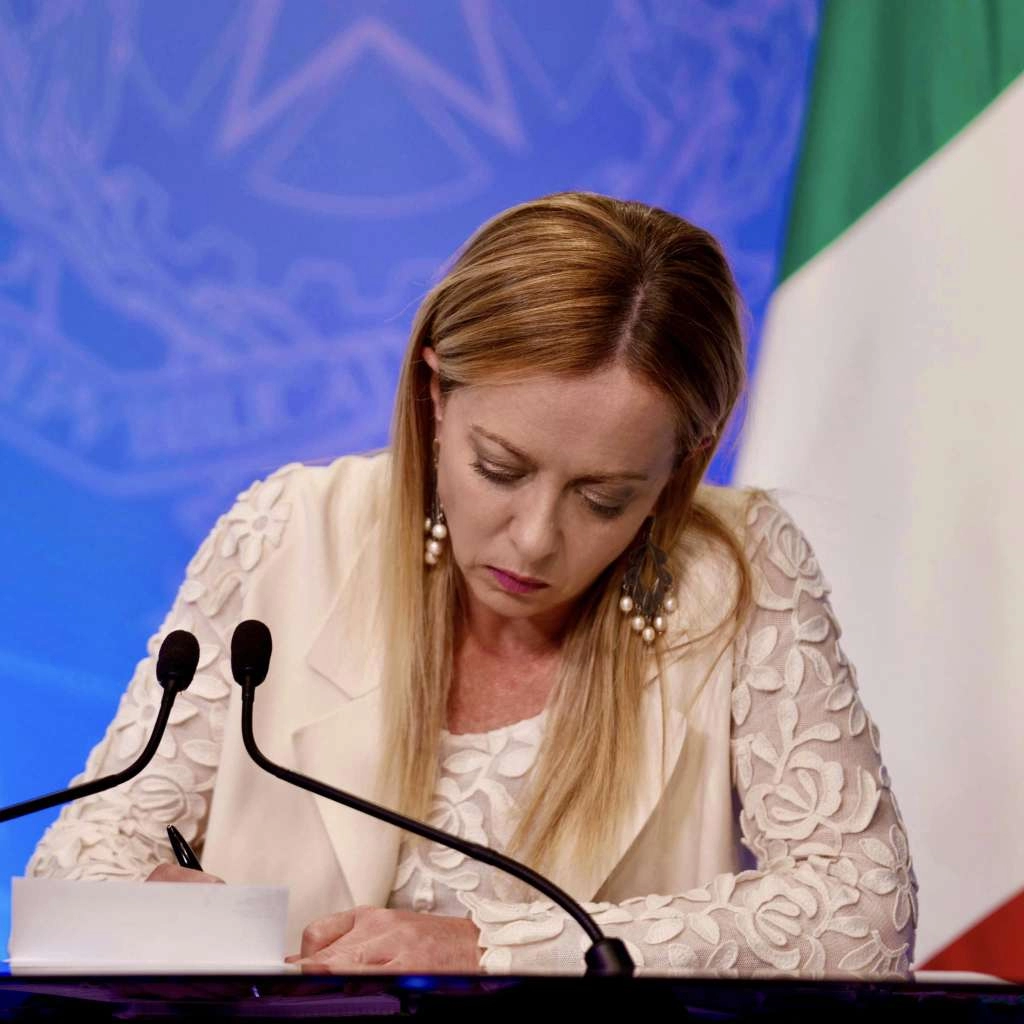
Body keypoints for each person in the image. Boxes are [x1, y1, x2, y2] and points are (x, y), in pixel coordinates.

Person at [27, 191, 917, 977]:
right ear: (435, 397)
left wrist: (494, 951)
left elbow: (864, 916)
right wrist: (147, 902)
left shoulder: (740, 570)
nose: (535, 538)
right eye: (500, 468)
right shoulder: (291, 533)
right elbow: (82, 851)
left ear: (685, 463)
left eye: (603, 497)